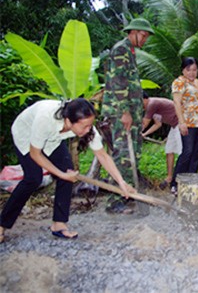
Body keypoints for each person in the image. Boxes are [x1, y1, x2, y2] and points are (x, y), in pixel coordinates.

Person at [0, 99, 136, 243]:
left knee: (67, 169)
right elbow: (35, 154)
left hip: (52, 139)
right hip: (26, 135)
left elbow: (102, 155)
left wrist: (121, 183)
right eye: (84, 126)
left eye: (90, 125)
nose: (88, 130)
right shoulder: (46, 119)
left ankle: (59, 224)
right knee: (33, 178)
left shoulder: (86, 126)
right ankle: (2, 224)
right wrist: (62, 174)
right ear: (69, 121)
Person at [101, 17, 154, 214]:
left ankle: (126, 194)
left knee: (132, 155)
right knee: (122, 156)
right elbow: (117, 82)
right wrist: (124, 112)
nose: (144, 39)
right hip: (119, 113)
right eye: (143, 35)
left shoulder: (130, 52)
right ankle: (114, 201)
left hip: (131, 113)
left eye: (146, 36)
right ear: (132, 32)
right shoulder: (121, 49)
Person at [170, 57, 198, 196]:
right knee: (188, 151)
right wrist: (181, 122)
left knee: (197, 152)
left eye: (194, 69)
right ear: (183, 70)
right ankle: (175, 183)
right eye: (189, 70)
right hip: (188, 123)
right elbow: (177, 102)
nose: (192, 73)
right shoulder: (179, 82)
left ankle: (191, 181)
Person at [141, 92, 181, 190]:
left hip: (181, 123)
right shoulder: (152, 107)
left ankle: (180, 179)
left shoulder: (152, 104)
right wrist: (144, 134)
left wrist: (135, 132)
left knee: (182, 152)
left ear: (143, 99)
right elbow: (157, 124)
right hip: (174, 126)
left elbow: (145, 122)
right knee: (169, 150)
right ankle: (169, 177)